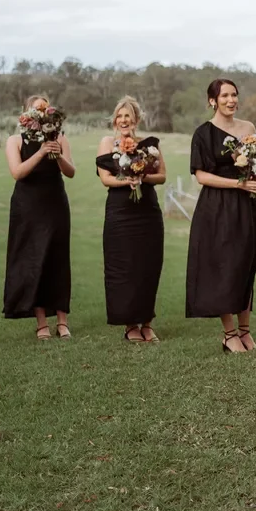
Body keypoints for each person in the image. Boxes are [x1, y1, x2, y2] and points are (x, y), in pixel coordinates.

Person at [185, 78, 256, 353]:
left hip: (246, 205)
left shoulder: (248, 128)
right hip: (217, 206)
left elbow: (255, 164)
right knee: (224, 266)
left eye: (234, 95)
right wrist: (236, 184)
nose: (231, 100)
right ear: (212, 101)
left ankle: (245, 332)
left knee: (245, 264)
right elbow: (201, 175)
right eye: (225, 95)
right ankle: (229, 334)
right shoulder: (203, 134)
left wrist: (251, 178)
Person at [3, 94, 76, 340]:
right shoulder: (15, 140)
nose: (41, 114)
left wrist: (57, 155)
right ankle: (42, 323)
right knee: (34, 260)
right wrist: (42, 151)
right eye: (37, 110)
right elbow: (17, 172)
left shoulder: (60, 137)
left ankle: (63, 322)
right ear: (27, 114)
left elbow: (71, 172)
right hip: (28, 206)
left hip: (55, 202)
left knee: (57, 259)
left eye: (45, 109)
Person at [95, 96, 166, 343]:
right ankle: (129, 325)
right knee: (124, 268)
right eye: (120, 116)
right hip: (120, 212)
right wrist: (127, 180)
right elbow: (105, 178)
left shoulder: (150, 144)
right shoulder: (107, 142)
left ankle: (147, 323)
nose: (124, 120)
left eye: (128, 115)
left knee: (148, 265)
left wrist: (142, 179)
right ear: (115, 119)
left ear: (136, 118)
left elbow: (162, 176)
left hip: (147, 210)